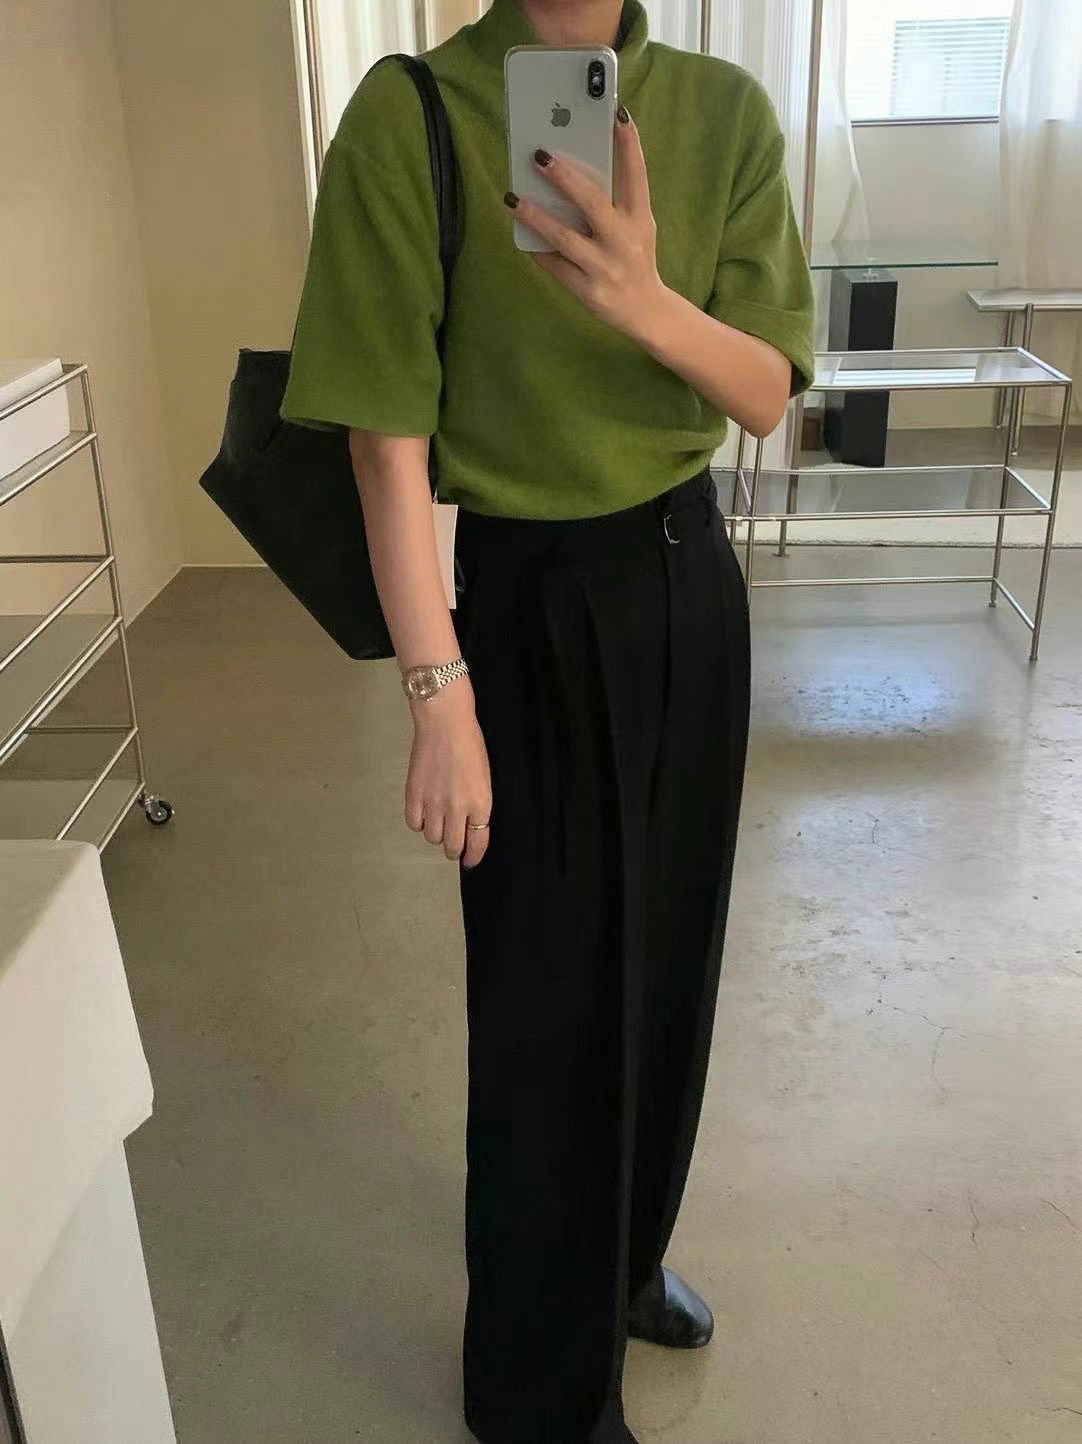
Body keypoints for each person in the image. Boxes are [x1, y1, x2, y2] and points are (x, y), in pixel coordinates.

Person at [282, 1, 814, 1438]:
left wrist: (639, 297)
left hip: (686, 573)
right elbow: (384, 442)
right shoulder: (410, 114)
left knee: (674, 960)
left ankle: (622, 1257)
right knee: (546, 1006)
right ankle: (536, 1391)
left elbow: (766, 392)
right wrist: (436, 687)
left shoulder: (722, 111)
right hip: (524, 596)